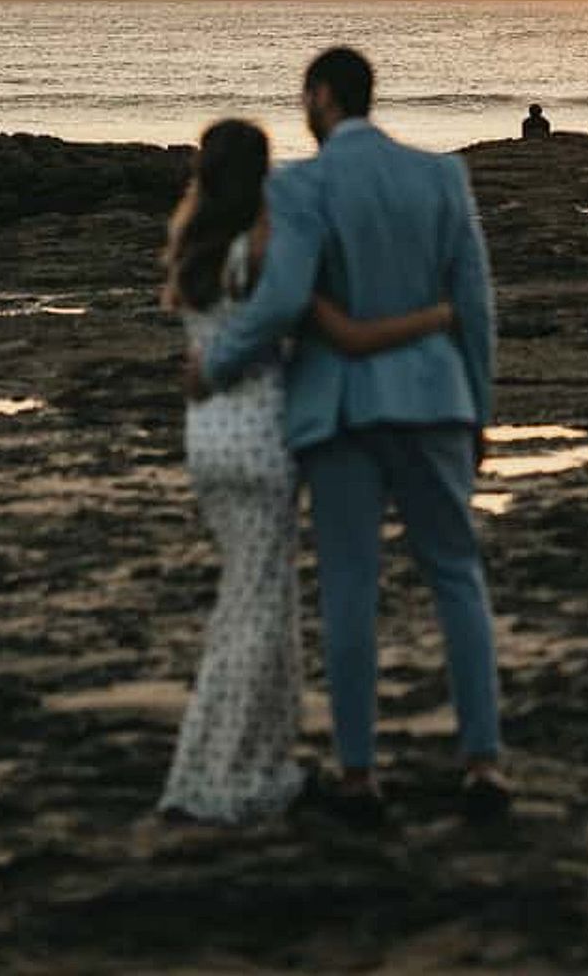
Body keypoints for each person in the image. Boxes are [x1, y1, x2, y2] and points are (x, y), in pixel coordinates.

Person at [188, 47, 508, 824]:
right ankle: (482, 761)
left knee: (350, 587)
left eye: (307, 95)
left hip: (339, 412)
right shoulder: (443, 177)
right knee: (457, 576)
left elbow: (286, 294)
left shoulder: (302, 185)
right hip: (435, 398)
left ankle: (359, 771)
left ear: (323, 97)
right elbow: (476, 303)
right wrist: (479, 407)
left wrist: (218, 358)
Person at [160, 117, 453, 825]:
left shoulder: (192, 250)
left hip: (207, 438)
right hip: (260, 437)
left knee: (244, 600)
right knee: (260, 613)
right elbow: (339, 331)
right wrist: (436, 316)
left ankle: (223, 764)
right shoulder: (262, 249)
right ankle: (230, 775)